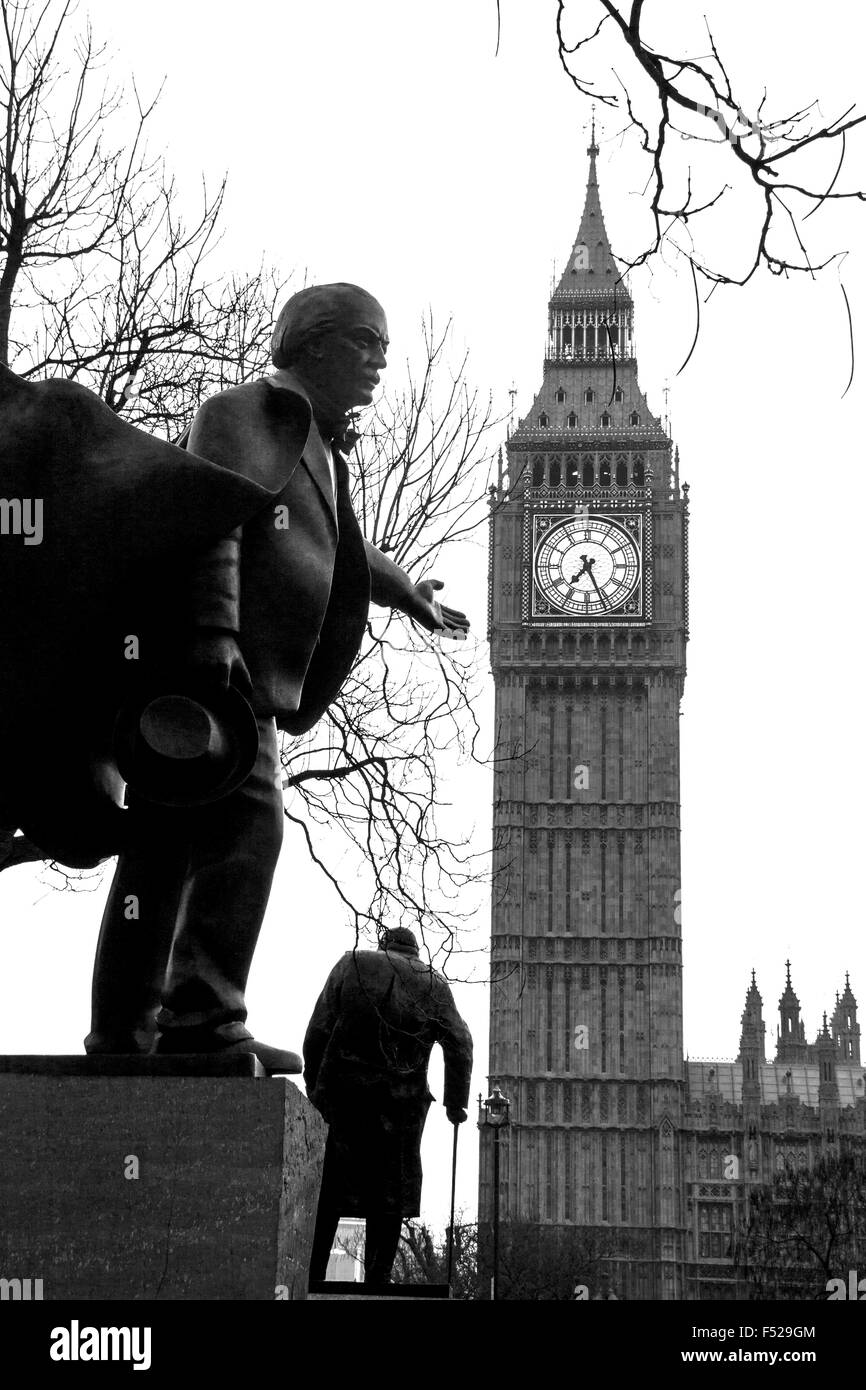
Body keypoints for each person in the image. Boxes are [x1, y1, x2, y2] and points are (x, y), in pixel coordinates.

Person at [84, 284, 469, 1072]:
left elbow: (344, 551)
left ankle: (131, 1032)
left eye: (384, 349)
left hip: (238, 677)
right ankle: (198, 1018)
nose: (378, 363)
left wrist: (408, 597)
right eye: (364, 342)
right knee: (242, 832)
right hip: (213, 673)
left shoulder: (314, 444)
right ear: (312, 342)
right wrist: (213, 635)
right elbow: (210, 514)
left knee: (164, 850)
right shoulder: (245, 413)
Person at [303, 927, 472, 1286]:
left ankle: (313, 1276)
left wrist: (315, 1084)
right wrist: (454, 1104)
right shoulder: (434, 984)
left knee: (331, 1186)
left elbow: (317, 1030)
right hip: (402, 1106)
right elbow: (460, 1043)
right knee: (390, 1190)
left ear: (384, 945)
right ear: (416, 952)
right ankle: (377, 1279)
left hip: (344, 1097)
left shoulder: (352, 963)